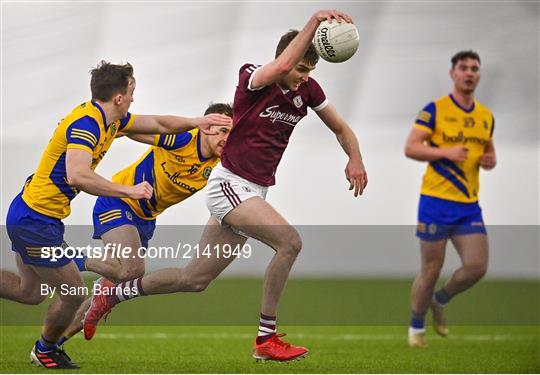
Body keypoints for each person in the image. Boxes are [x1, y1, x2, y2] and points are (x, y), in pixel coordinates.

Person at [83, 9, 368, 362]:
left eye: (310, 70)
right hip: (230, 185)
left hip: (252, 191)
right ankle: (266, 338)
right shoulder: (254, 77)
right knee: (290, 243)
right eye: (300, 68)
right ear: (286, 59)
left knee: (194, 280)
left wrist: (354, 158)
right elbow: (279, 69)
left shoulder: (308, 90)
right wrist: (313, 24)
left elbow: (341, 128)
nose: (303, 77)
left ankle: (115, 295)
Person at [0, 61, 232, 369]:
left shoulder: (110, 121)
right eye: (132, 90)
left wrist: (196, 119)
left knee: (28, 292)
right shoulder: (87, 124)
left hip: (38, 215)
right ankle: (45, 349)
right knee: (75, 292)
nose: (135, 97)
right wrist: (129, 191)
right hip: (34, 219)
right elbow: (77, 176)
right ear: (119, 97)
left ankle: (53, 340)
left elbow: (160, 123)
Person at [58, 102, 232, 343]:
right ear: (205, 128)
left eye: (232, 133)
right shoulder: (182, 140)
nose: (227, 138)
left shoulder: (221, 162)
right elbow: (128, 129)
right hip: (119, 202)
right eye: (222, 131)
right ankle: (71, 259)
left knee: (117, 283)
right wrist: (94, 135)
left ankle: (53, 344)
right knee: (132, 271)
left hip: (146, 219)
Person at [404, 50, 496, 348]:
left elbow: (487, 150)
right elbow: (412, 148)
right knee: (431, 270)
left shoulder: (485, 116)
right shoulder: (435, 110)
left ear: (478, 75)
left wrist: (490, 159)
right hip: (436, 201)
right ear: (453, 74)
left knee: (477, 267)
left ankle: (440, 300)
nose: (469, 73)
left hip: (468, 204)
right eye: (464, 68)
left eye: (474, 68)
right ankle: (416, 328)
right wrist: (445, 152)